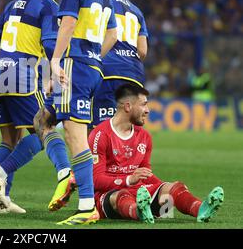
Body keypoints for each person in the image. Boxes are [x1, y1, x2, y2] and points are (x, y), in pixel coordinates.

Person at [0, 0, 70, 214]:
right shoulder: (48, 5)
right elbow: (51, 43)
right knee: (44, 130)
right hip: (23, 76)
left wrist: (8, 54)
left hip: (0, 73)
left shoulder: (14, 3)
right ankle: (0, 173)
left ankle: (2, 201)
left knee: (10, 137)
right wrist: (57, 66)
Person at [49, 0, 118, 225]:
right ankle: (88, 202)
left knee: (74, 132)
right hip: (93, 68)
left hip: (75, 63)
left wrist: (55, 59)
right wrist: (94, 58)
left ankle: (87, 205)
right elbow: (113, 35)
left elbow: (69, 22)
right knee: (74, 129)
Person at [87, 84, 224, 223]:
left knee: (174, 188)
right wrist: (128, 180)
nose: (147, 110)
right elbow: (95, 179)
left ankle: (201, 209)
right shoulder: (100, 135)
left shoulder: (144, 137)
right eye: (143, 105)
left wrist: (168, 188)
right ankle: (139, 211)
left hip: (139, 192)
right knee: (121, 195)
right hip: (108, 195)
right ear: (128, 107)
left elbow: (146, 174)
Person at [90, 0, 149, 129]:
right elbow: (143, 51)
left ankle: (96, 156)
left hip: (106, 71)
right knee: (128, 128)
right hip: (134, 75)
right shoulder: (136, 11)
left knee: (99, 129)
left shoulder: (96, 1)